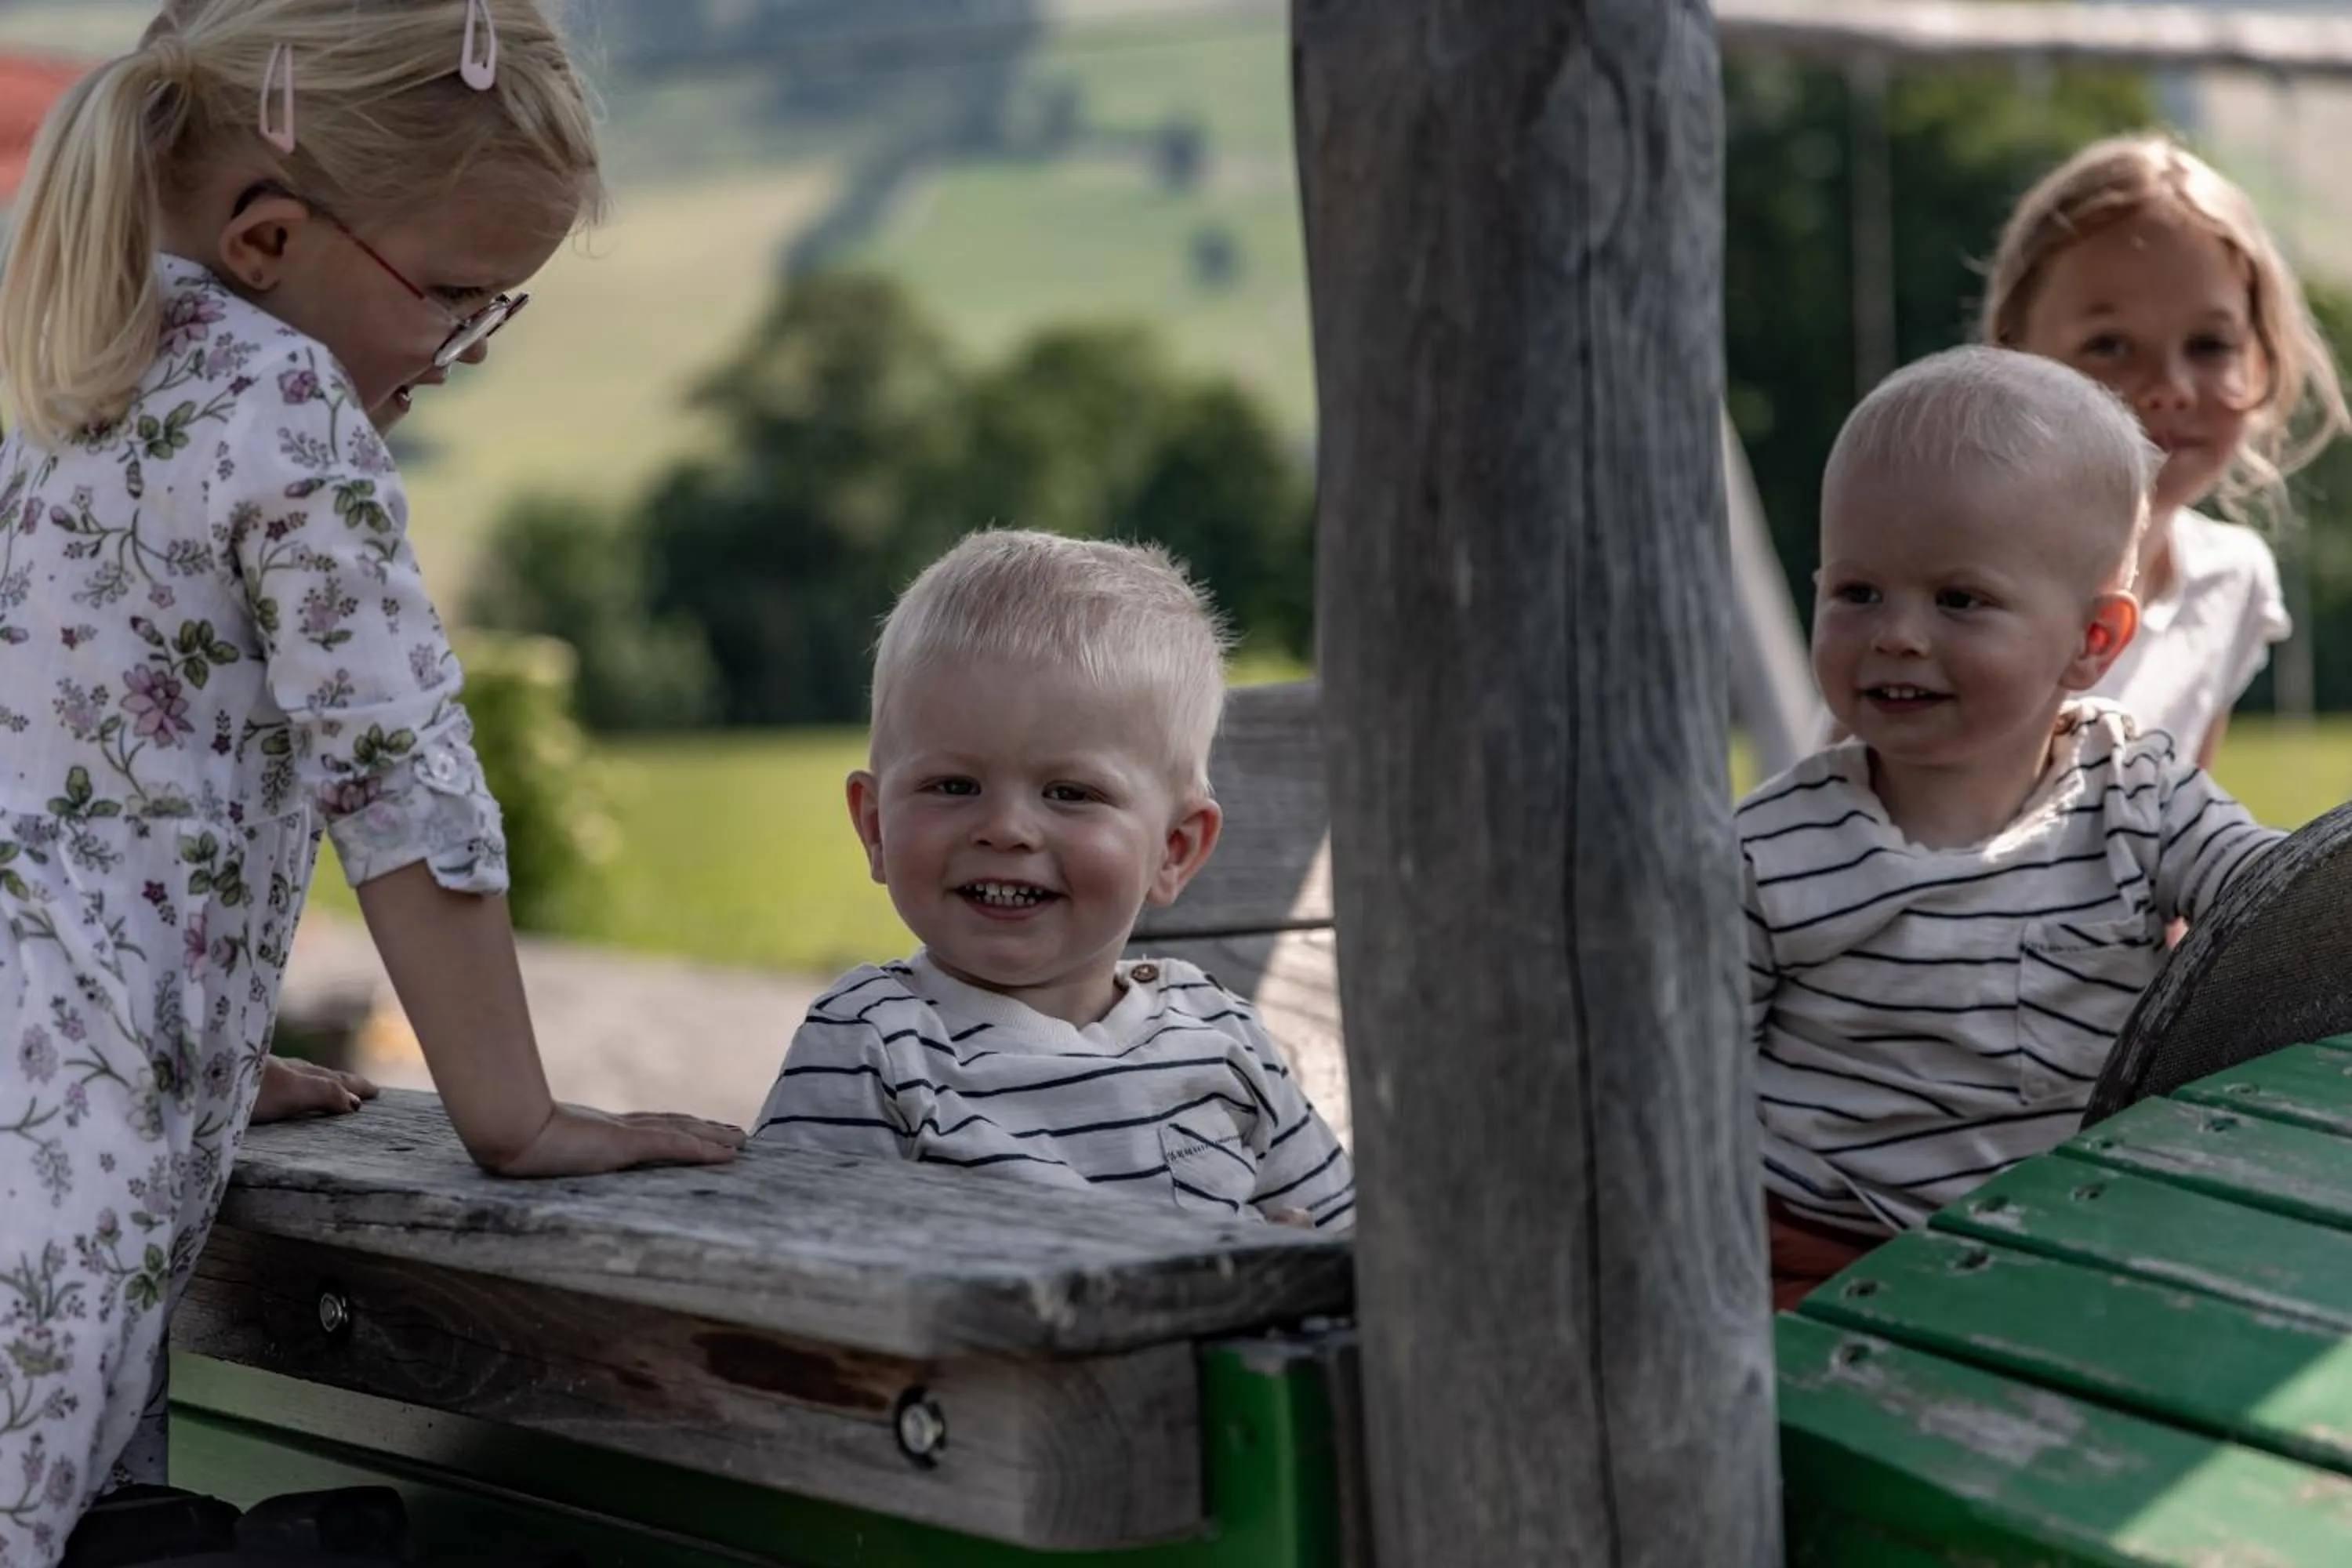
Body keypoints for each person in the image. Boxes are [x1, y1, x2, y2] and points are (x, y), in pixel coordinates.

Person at [0, 5, 742, 1560]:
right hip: (54, 1199)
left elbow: (69, 779)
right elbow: (402, 779)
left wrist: (186, 1039)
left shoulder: (59, 382)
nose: (460, 356)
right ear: (269, 237)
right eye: (461, 298)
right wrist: (514, 1116)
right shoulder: (283, 406)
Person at [1743, 347, 2283, 1312]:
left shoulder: (2139, 792)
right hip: (1820, 1237)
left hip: (2064, 1229)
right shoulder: (1771, 849)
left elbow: (2278, 902)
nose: (1897, 634)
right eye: (1857, 592)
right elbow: (1684, 1078)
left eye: (1960, 599)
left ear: (2094, 641)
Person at [752, 531, 1354, 1231]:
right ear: (876, 826)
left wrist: (1293, 1268)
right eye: (953, 785)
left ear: (1174, 849)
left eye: (1070, 793)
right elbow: (793, 1275)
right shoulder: (872, 1046)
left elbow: (1353, 1243)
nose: (1006, 829)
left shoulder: (1222, 1037)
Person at [1984, 132, 2351, 768]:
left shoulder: (2230, 582)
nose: (2169, 389)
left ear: (2262, 363)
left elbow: (2178, 831)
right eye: (2109, 345)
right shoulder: (1959, 574)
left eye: (2210, 346)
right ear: (2015, 357)